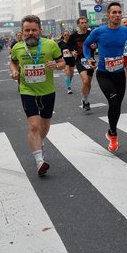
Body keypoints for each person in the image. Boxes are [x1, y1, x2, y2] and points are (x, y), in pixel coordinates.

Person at [8, 15, 64, 176]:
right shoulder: (18, 48)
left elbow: (62, 63)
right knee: (33, 125)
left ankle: (40, 141)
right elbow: (13, 61)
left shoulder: (51, 45)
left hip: (47, 90)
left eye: (34, 30)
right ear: (22, 32)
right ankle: (39, 160)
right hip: (27, 90)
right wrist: (13, 71)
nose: (30, 33)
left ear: (40, 30)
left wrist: (56, 65)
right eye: (27, 30)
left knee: (44, 126)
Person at [83, 2, 127, 152]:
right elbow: (86, 44)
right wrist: (88, 57)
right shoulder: (99, 31)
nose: (117, 15)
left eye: (119, 12)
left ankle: (111, 132)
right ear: (107, 15)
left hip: (119, 74)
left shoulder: (125, 31)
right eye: (114, 12)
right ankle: (113, 134)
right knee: (113, 101)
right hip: (104, 74)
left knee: (117, 106)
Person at [67, 16, 94, 111]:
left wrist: (95, 45)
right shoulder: (74, 36)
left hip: (91, 60)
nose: (84, 24)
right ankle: (86, 102)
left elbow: (98, 43)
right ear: (78, 24)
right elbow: (69, 46)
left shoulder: (91, 34)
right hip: (80, 60)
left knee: (88, 83)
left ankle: (85, 99)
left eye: (85, 22)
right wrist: (72, 52)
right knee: (85, 81)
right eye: (82, 23)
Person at [57, 30, 75, 94]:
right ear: (63, 35)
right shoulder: (60, 43)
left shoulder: (72, 43)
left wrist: (74, 53)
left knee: (71, 74)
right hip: (64, 60)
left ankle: (68, 83)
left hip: (72, 59)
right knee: (67, 73)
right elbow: (57, 51)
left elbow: (75, 49)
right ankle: (69, 88)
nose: (66, 36)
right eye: (65, 35)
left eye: (68, 35)